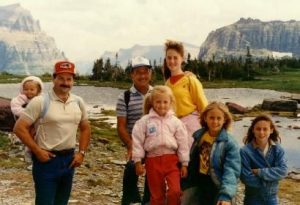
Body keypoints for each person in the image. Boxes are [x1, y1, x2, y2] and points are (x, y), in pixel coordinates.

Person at [13, 61, 91, 205]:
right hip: (46, 161)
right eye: (61, 78)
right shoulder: (39, 101)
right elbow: (19, 128)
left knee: (62, 202)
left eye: (69, 79)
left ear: (73, 81)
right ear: (53, 79)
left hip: (69, 160)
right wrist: (37, 151)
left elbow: (85, 127)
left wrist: (81, 153)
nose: (65, 82)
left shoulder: (78, 102)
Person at [132, 85, 189, 205]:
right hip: (152, 161)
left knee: (175, 191)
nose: (162, 105)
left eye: (165, 102)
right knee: (157, 195)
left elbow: (183, 143)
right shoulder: (145, 121)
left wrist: (184, 163)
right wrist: (137, 161)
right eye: (158, 102)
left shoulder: (176, 122)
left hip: (171, 161)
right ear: (152, 102)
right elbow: (137, 141)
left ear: (170, 102)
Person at [184, 102, 241, 205]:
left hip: (217, 184)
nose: (215, 121)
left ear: (225, 120)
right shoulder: (199, 136)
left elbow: (231, 170)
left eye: (219, 118)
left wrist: (226, 195)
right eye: (212, 118)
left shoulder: (230, 143)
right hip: (200, 181)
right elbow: (192, 160)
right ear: (205, 118)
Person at [116, 56, 152, 205]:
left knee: (153, 180)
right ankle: (129, 200)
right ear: (132, 74)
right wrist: (131, 146)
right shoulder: (124, 97)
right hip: (134, 144)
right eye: (138, 72)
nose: (142, 76)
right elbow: (121, 127)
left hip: (155, 145)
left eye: (145, 72)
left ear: (150, 73)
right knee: (131, 171)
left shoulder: (158, 94)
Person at [163, 39, 208, 148]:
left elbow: (203, 105)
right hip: (174, 125)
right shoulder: (167, 84)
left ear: (182, 59)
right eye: (169, 58)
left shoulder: (190, 80)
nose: (172, 61)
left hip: (191, 125)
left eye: (175, 58)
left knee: (190, 159)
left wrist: (209, 128)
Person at [240, 114, 288, 205]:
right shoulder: (244, 151)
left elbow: (283, 171)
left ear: (271, 130)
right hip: (252, 198)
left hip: (272, 198)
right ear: (253, 130)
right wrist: (271, 180)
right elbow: (245, 177)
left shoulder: (278, 150)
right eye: (258, 129)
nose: (261, 132)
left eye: (265, 129)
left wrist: (259, 172)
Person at [10, 76, 44, 167]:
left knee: (37, 136)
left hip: (37, 123)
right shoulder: (21, 98)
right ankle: (28, 154)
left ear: (38, 90)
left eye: (32, 89)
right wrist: (28, 113)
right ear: (22, 89)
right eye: (26, 89)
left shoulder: (41, 99)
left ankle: (38, 152)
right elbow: (15, 107)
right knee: (27, 137)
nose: (28, 91)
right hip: (25, 121)